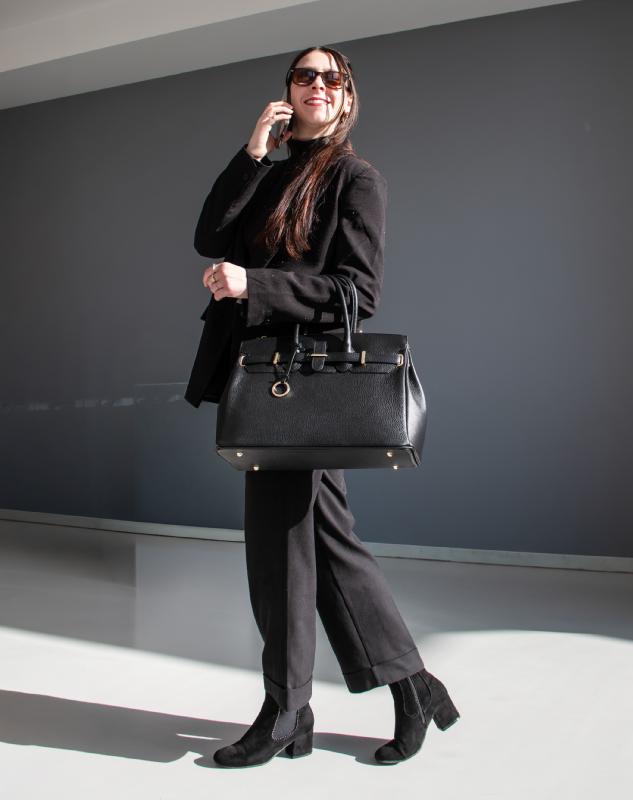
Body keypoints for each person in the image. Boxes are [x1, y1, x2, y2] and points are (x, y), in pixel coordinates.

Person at [184, 45, 460, 768]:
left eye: (331, 78)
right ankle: (412, 687)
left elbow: (358, 293)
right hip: (264, 376)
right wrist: (252, 151)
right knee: (325, 544)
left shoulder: (354, 179)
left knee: (279, 548)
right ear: (288, 92)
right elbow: (209, 236)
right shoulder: (270, 174)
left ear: (346, 96)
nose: (318, 85)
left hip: (299, 384)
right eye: (305, 76)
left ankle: (286, 710)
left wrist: (256, 285)